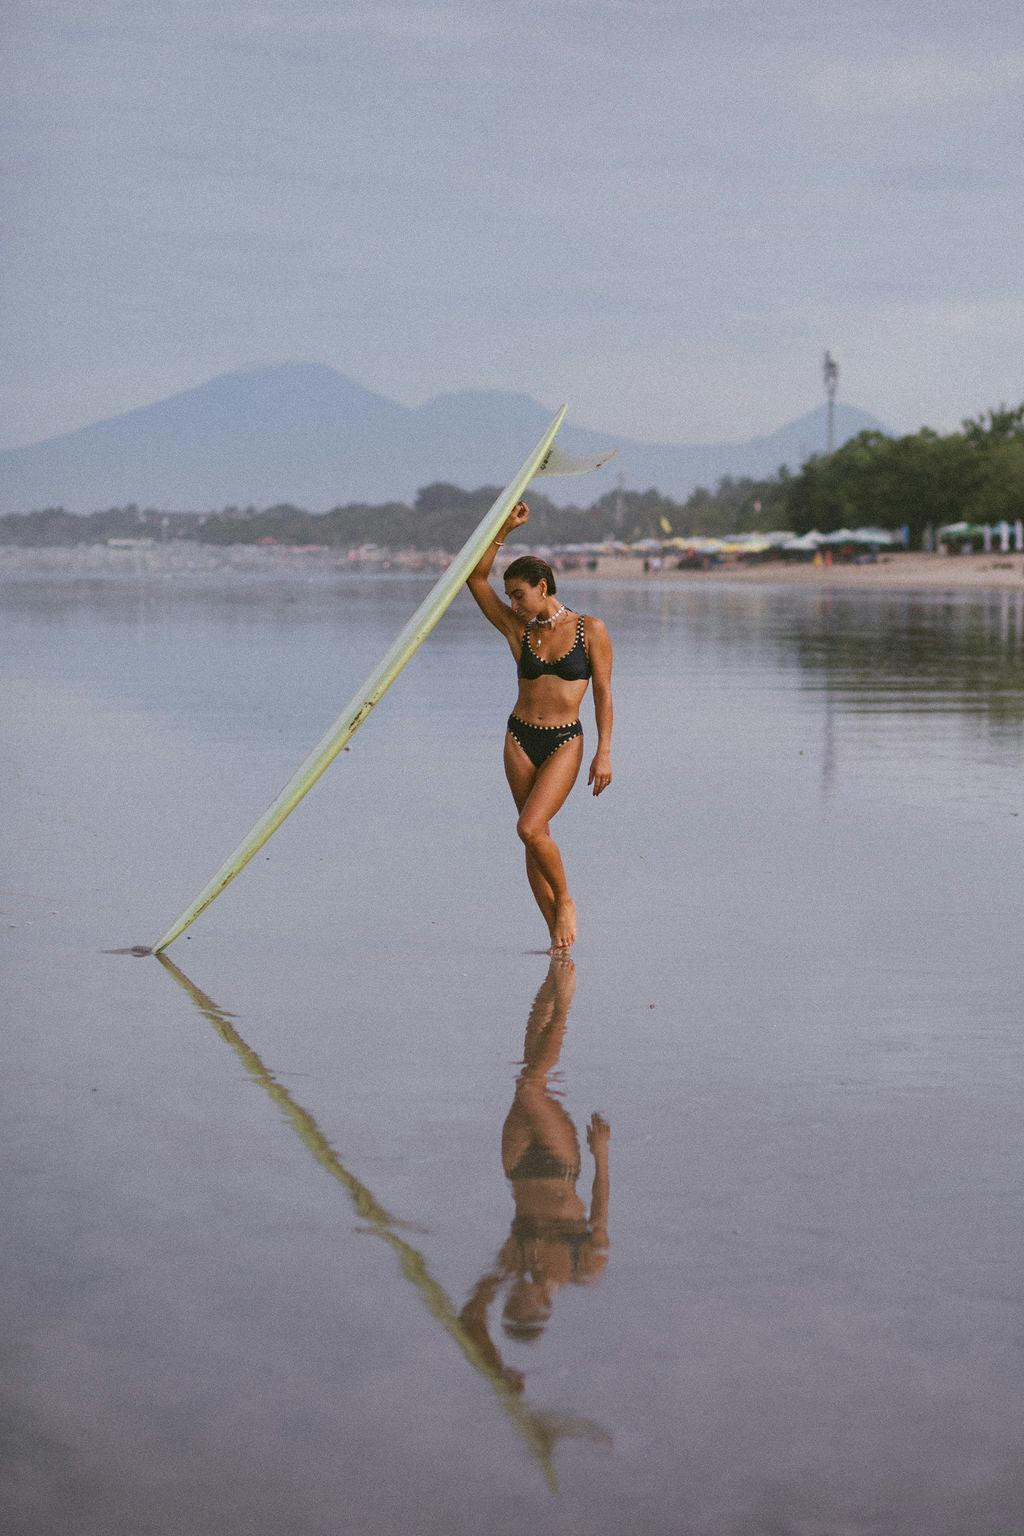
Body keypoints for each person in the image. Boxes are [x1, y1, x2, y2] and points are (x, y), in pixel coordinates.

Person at [466, 501, 613, 951]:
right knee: (534, 838)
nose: (512, 603)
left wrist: (603, 751)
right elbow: (474, 578)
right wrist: (504, 529)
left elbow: (604, 692)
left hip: (564, 740)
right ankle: (556, 939)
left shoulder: (590, 629)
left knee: (530, 828)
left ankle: (565, 900)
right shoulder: (519, 631)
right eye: (509, 597)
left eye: (519, 595)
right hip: (519, 737)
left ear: (542, 586)